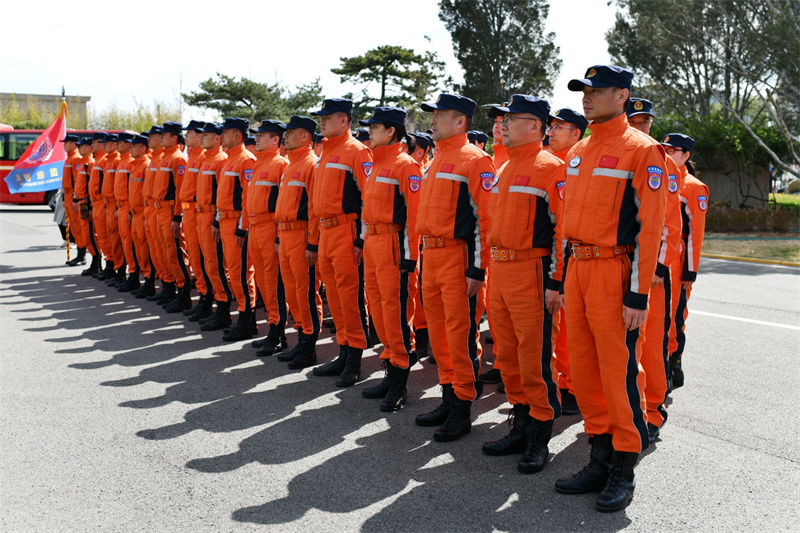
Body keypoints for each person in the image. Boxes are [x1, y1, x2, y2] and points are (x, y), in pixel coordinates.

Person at [554, 65, 667, 512]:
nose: (587, 97)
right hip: (579, 270)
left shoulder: (642, 150)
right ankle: (598, 458)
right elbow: (567, 224)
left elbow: (650, 228)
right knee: (583, 369)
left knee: (619, 374)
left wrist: (637, 294)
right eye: (584, 90)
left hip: (613, 272)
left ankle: (624, 466)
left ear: (622, 95)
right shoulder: (580, 149)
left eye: (597, 91)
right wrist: (561, 279)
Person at [479, 94, 565, 474]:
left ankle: (539, 435)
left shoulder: (551, 169)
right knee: (508, 355)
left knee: (534, 358)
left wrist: (556, 281)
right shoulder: (504, 168)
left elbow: (562, 232)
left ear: (535, 126)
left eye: (510, 120)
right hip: (500, 271)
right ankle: (520, 421)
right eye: (502, 120)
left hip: (531, 271)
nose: (502, 125)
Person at [413, 93, 495, 442]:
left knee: (460, 335)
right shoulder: (434, 158)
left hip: (457, 257)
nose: (432, 120)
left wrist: (478, 269)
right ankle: (448, 396)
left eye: (440, 114)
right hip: (430, 256)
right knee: (440, 335)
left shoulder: (474, 160)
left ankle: (462, 405)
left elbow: (485, 219)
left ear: (460, 122)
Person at [357, 106, 422, 411]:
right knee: (377, 308)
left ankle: (399, 382)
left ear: (391, 131)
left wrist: (409, 259)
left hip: (393, 244)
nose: (369, 131)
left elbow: (414, 216)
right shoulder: (375, 164)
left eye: (375, 127)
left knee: (395, 312)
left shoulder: (405, 165)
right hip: (373, 241)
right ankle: (388, 369)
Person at [626, 98, 683, 442]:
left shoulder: (660, 163)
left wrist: (659, 267)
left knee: (650, 346)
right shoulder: (621, 157)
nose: (642, 125)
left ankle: (652, 410)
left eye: (647, 121)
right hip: (620, 265)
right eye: (636, 120)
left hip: (651, 272)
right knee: (627, 349)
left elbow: (669, 225)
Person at [308, 98, 373, 387]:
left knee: (350, 296)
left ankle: (355, 358)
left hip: (346, 230)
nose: (321, 122)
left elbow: (368, 199)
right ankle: (343, 349)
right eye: (321, 117)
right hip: (326, 232)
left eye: (327, 117)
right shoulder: (324, 153)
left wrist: (361, 238)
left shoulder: (357, 152)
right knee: (334, 295)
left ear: (344, 121)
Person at [545, 107, 589, 416]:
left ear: (576, 133)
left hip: (571, 261)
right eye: (551, 127)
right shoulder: (554, 165)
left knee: (567, 332)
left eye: (558, 128)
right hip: (551, 260)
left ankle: (570, 388)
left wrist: (557, 274)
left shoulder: (574, 167)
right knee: (554, 330)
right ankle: (559, 383)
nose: (551, 132)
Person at [273, 115, 323, 369]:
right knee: (293, 292)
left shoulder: (310, 164)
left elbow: (313, 208)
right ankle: (301, 337)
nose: (286, 136)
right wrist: (279, 237)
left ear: (305, 136)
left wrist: (313, 243)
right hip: (287, 234)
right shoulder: (291, 165)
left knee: (305, 292)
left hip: (302, 234)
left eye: (291, 132)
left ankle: (309, 344)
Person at [662, 133, 708, 390]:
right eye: (665, 149)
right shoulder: (659, 178)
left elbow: (695, 234)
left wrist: (690, 271)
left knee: (674, 316)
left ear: (686, 155)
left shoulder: (693, 187)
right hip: (659, 257)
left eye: (673, 150)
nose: (668, 154)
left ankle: (673, 364)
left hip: (679, 261)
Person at [247, 119, 290, 355]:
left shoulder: (280, 164)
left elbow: (283, 203)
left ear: (275, 139)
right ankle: (273, 328)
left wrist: (278, 235)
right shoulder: (257, 164)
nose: (256, 138)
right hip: (255, 227)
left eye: (261, 135)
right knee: (264, 282)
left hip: (270, 227)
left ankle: (278, 332)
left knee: (274, 284)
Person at [213, 117, 258, 342]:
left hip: (237, 223)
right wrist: (216, 221)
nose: (222, 136)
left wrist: (242, 228)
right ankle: (243, 317)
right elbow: (222, 196)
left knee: (242, 273)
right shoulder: (228, 160)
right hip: (225, 221)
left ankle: (246, 320)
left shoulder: (246, 160)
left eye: (226, 133)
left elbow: (247, 199)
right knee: (233, 271)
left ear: (238, 135)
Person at [195, 122, 235, 327]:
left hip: (213, 216)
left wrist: (216, 220)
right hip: (201, 215)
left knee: (217, 265)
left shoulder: (220, 160)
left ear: (218, 139)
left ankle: (223, 309)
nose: (201, 138)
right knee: (208, 263)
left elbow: (223, 195)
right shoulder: (206, 160)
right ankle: (212, 302)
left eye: (206, 135)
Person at [174, 120, 211, 316]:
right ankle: (203, 298)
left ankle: (207, 299)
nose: (186, 136)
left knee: (203, 259)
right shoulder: (193, 158)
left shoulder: (204, 157)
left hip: (199, 213)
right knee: (196, 257)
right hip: (189, 212)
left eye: (190, 133)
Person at [153, 122, 191, 311]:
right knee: (164, 253)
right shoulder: (163, 157)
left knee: (175, 253)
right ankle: (170, 288)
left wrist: (178, 216)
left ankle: (184, 292)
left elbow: (179, 191)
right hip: (159, 210)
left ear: (174, 137)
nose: (161, 137)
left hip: (169, 210)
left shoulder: (177, 159)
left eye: (164, 134)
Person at [125, 134, 153, 296]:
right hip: (134, 211)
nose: (131, 149)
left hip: (145, 211)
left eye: (134, 146)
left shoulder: (145, 165)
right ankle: (139, 277)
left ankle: (149, 279)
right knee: (136, 246)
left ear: (143, 149)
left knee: (145, 247)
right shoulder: (135, 165)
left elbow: (146, 193)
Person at [112, 133, 137, 289]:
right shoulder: (122, 162)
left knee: (131, 243)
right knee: (122, 242)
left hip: (129, 207)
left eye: (120, 143)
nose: (116, 145)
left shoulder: (130, 163)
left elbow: (132, 190)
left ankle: (134, 274)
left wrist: (129, 211)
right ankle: (121, 271)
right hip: (120, 206)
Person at [75, 138, 101, 276]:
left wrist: (90, 206)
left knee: (91, 233)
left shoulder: (89, 163)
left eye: (83, 146)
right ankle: (94, 261)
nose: (79, 149)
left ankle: (96, 262)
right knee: (86, 232)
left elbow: (93, 186)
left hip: (87, 202)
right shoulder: (82, 163)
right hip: (81, 201)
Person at [61, 134, 86, 266]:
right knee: (74, 227)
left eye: (67, 143)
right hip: (68, 195)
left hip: (73, 196)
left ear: (74, 144)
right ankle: (79, 254)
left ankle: (82, 255)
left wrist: (76, 198)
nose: (64, 145)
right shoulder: (69, 158)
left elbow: (78, 181)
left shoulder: (76, 159)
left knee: (78, 226)